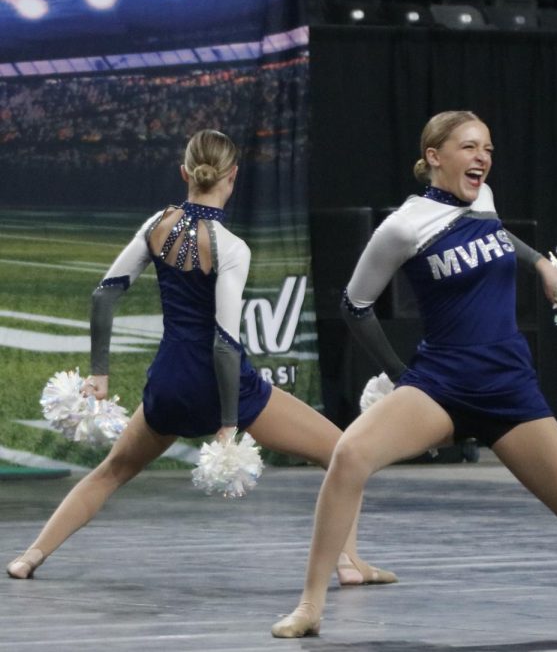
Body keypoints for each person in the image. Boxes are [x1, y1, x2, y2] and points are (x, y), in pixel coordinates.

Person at [270, 111, 557, 638]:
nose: (483, 158)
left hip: (510, 390)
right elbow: (355, 304)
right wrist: (400, 376)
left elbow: (497, 235)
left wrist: (540, 264)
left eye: (488, 148)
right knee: (349, 455)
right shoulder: (403, 226)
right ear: (434, 157)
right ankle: (310, 605)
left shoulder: (484, 199)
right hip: (440, 385)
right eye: (470, 147)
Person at [7, 129, 395, 587]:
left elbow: (103, 297)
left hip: (169, 385)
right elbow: (225, 343)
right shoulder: (230, 247)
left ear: (184, 172)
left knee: (110, 472)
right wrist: (230, 423)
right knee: (343, 454)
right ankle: (348, 563)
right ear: (233, 176)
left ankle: (30, 556)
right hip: (224, 385)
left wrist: (99, 375)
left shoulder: (158, 225)